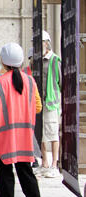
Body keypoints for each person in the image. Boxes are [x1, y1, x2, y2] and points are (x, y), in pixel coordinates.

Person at [0, 43, 45, 197]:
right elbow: (38, 107)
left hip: (4, 138)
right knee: (26, 173)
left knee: (5, 177)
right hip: (24, 137)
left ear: (3, 62)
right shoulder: (30, 81)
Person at [39, 30, 62, 178]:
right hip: (39, 103)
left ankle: (54, 163)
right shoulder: (37, 60)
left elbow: (60, 80)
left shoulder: (55, 60)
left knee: (53, 134)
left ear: (46, 43)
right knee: (41, 134)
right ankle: (44, 163)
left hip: (51, 103)